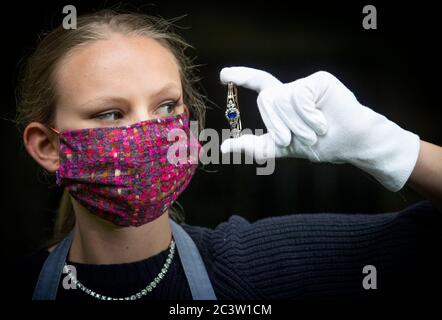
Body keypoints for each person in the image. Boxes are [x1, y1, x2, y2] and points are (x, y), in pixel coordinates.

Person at [10, 9, 442, 300]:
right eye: (110, 113)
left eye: (165, 107)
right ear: (48, 146)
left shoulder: (254, 267)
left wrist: (386, 147)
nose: (148, 131)